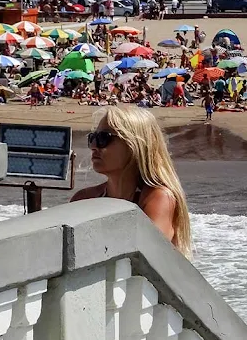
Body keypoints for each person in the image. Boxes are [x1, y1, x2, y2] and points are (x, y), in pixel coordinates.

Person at [70, 106, 191, 258]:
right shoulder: (84, 199)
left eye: (103, 138)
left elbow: (148, 259)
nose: (94, 146)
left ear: (134, 145)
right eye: (92, 138)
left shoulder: (157, 199)